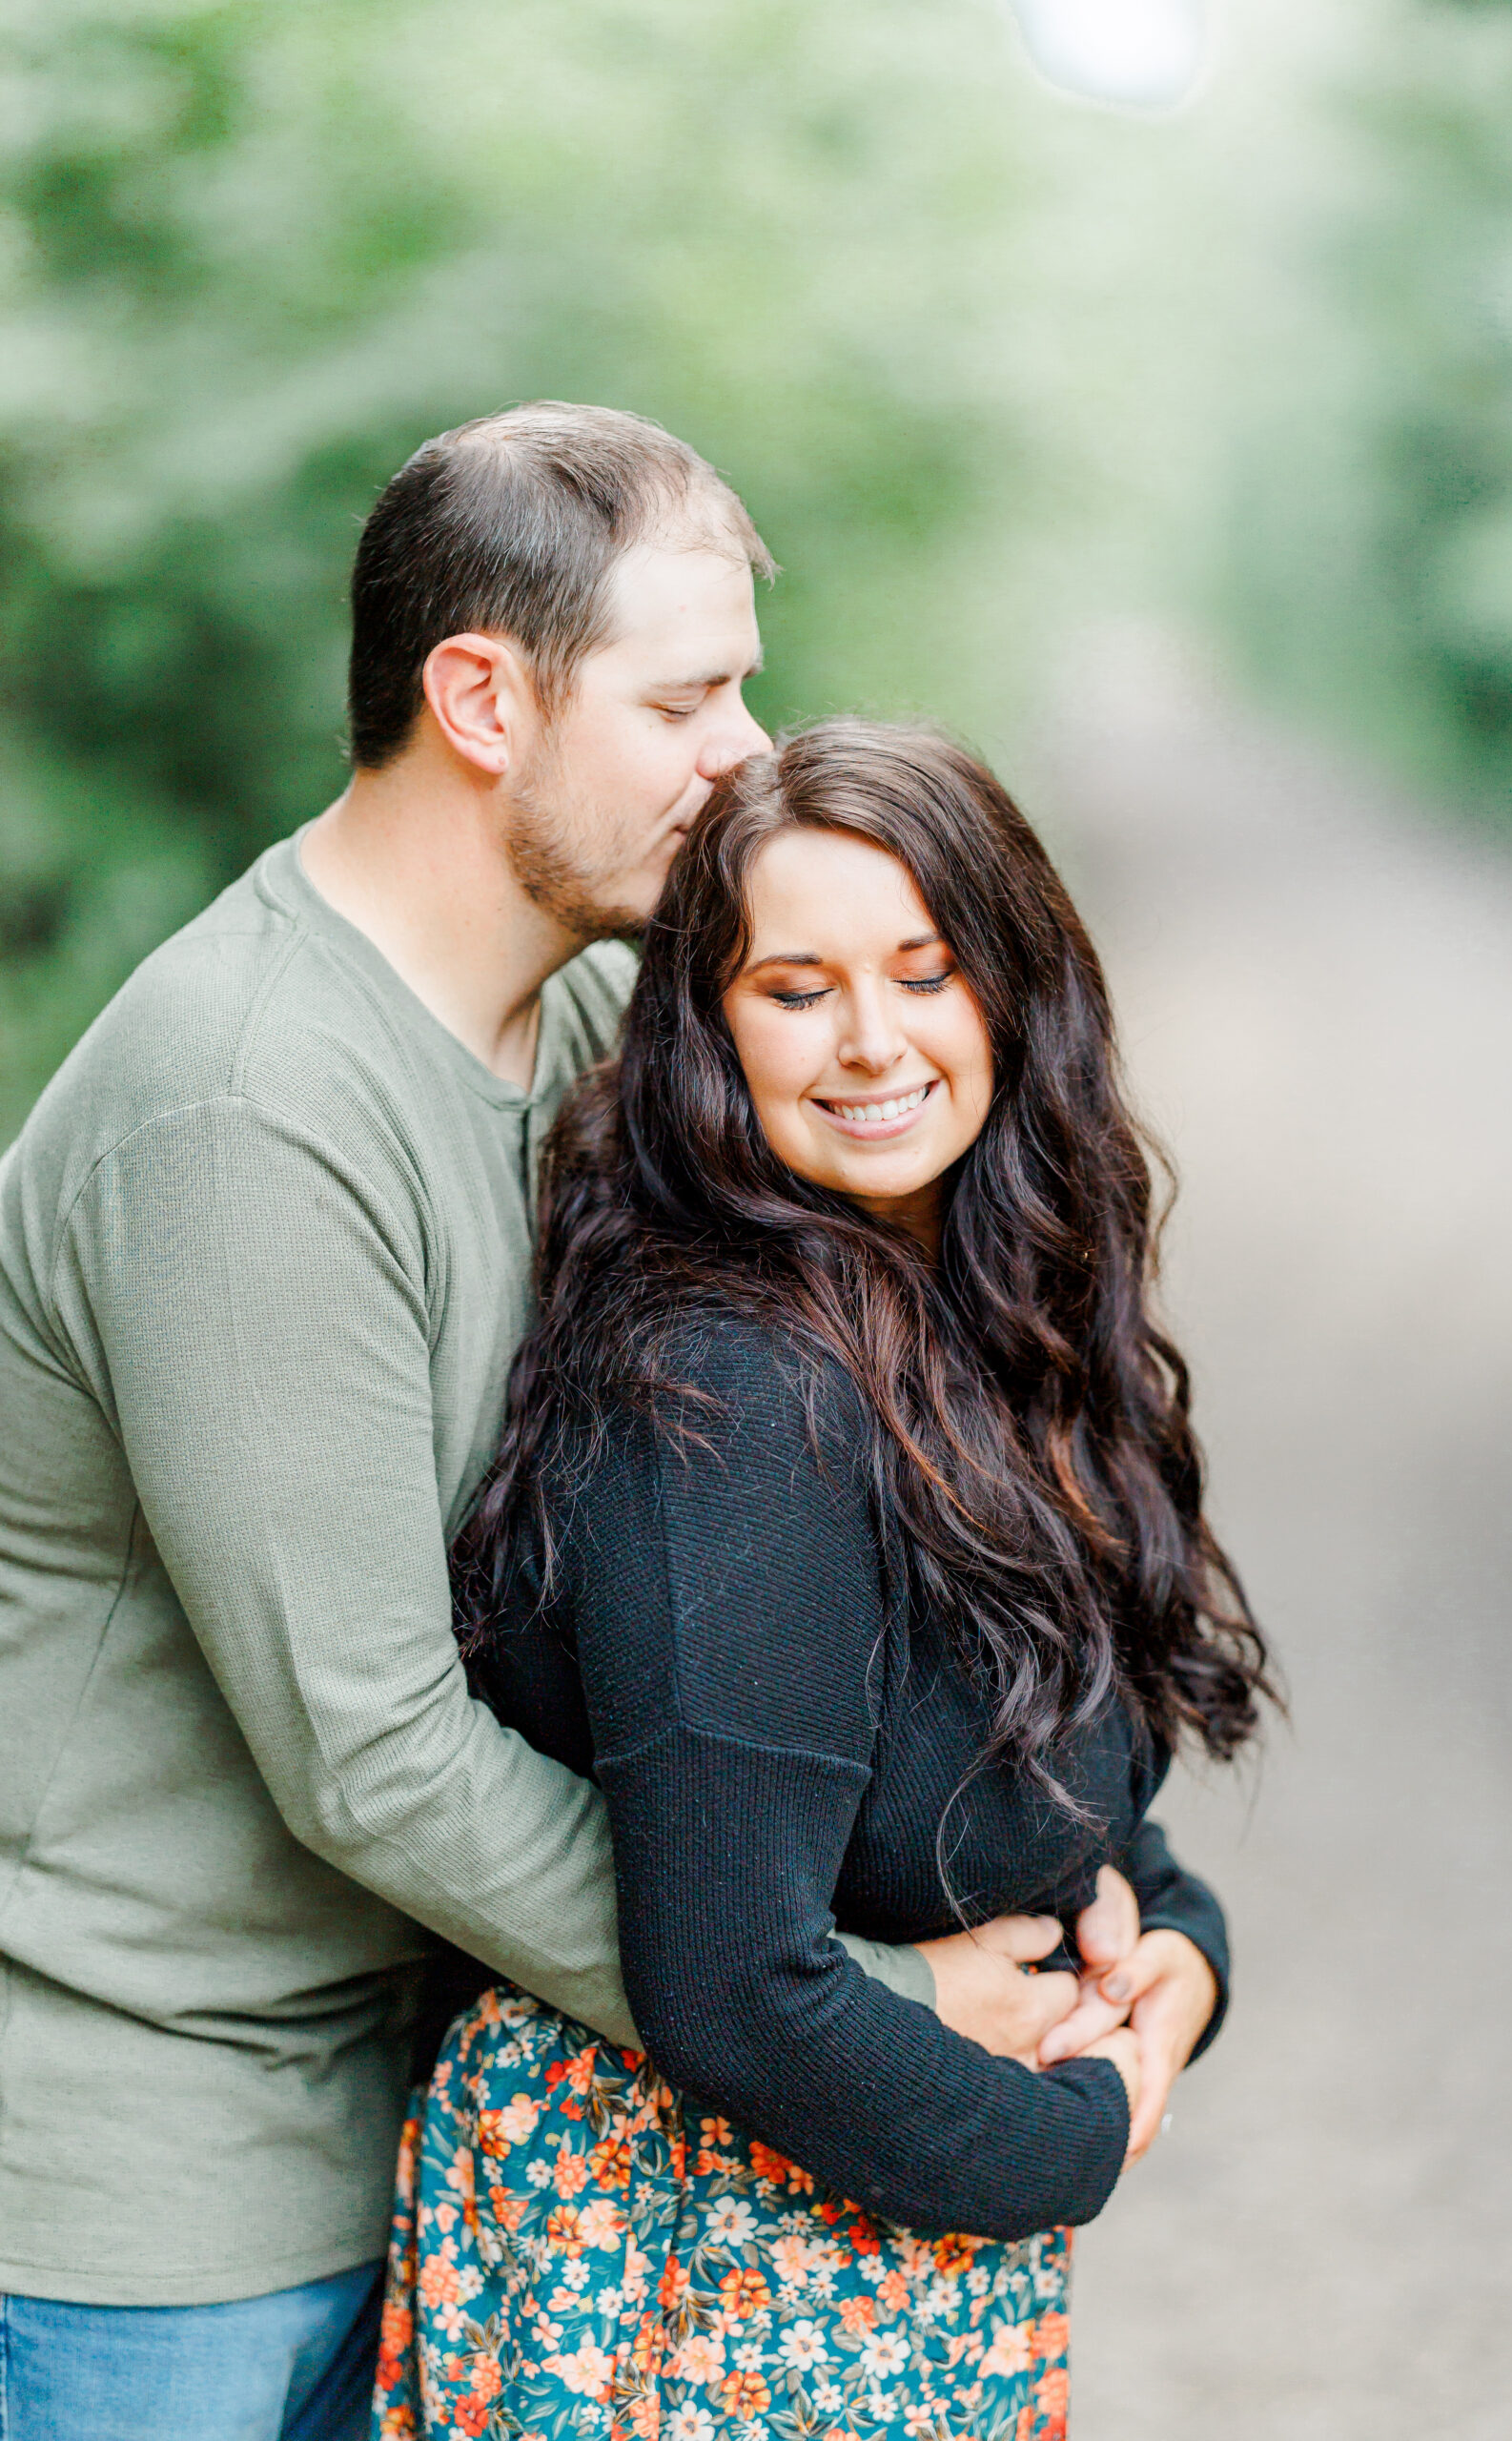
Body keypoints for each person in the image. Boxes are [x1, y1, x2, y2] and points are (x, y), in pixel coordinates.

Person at [0, 410, 1094, 2441]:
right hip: (155, 2197)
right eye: (685, 693)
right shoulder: (252, 1109)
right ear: (481, 696)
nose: (743, 750)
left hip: (424, 2114)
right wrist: (836, 2001)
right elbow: (371, 1748)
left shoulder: (591, 1021)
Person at [375, 722, 1275, 2439]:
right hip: (681, 2281)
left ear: (1017, 988)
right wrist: (1082, 2132)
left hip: (894, 2253)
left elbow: (1041, 1779)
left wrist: (1179, 1955)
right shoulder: (731, 1389)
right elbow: (732, 1982)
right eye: (796, 989)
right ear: (710, 1030)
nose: (873, 1042)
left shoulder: (987, 1312)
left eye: (925, 972)